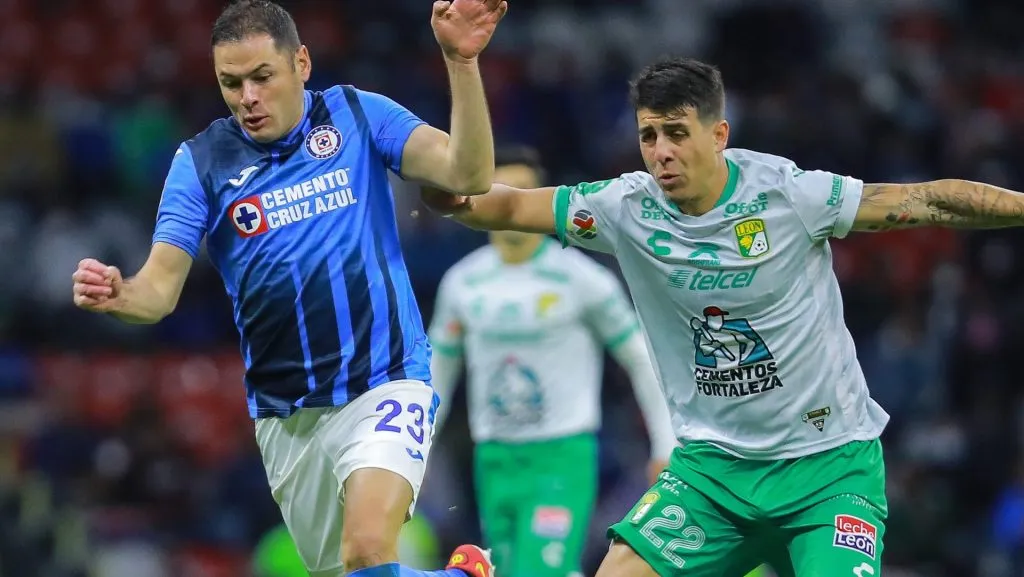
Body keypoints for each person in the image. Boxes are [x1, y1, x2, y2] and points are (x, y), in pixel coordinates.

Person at [419, 56, 1024, 576]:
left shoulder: (789, 194)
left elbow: (925, 200)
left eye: (677, 133)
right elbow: (499, 206)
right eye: (649, 135)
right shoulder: (623, 208)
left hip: (828, 470)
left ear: (718, 134)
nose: (661, 153)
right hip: (712, 476)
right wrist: (448, 184)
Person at [71, 1, 508, 576]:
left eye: (262, 77)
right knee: (352, 573)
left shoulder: (357, 114)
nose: (247, 98)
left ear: (301, 63)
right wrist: (120, 294)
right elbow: (158, 291)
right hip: (287, 416)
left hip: (385, 381)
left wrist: (461, 62)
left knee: (367, 549)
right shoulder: (201, 162)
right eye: (231, 83)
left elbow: (468, 174)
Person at [427, 147, 676, 577]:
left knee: (538, 570)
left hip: (562, 455)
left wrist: (665, 444)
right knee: (511, 571)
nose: (508, 198)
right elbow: (438, 375)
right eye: (498, 189)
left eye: (522, 189)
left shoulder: (581, 278)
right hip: (493, 457)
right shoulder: (462, 283)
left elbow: (641, 358)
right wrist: (413, 453)